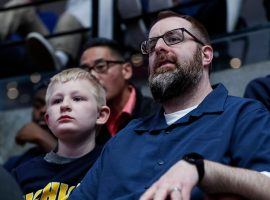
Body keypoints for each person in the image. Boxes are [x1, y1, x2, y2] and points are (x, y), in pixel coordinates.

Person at [69, 11, 270, 199]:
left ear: (205, 55)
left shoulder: (244, 115)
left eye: (174, 39)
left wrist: (200, 169)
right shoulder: (123, 139)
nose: (158, 48)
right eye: (151, 45)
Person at [12, 68, 110, 199]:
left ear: (101, 115)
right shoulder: (22, 173)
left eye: (77, 98)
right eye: (57, 101)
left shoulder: (111, 161)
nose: (64, 105)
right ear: (48, 119)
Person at [80, 38, 159, 144]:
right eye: (85, 71)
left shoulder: (156, 112)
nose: (92, 76)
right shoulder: (87, 120)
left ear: (126, 70)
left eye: (100, 66)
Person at [0, 0, 91, 70]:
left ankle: (59, 58)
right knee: (19, 5)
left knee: (70, 17)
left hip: (50, 54)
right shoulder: (22, 14)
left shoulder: (51, 17)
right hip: (28, 53)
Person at [4, 80, 57, 172]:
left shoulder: (85, 155)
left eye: (53, 104)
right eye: (37, 105)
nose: (43, 110)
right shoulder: (17, 163)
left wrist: (41, 137)